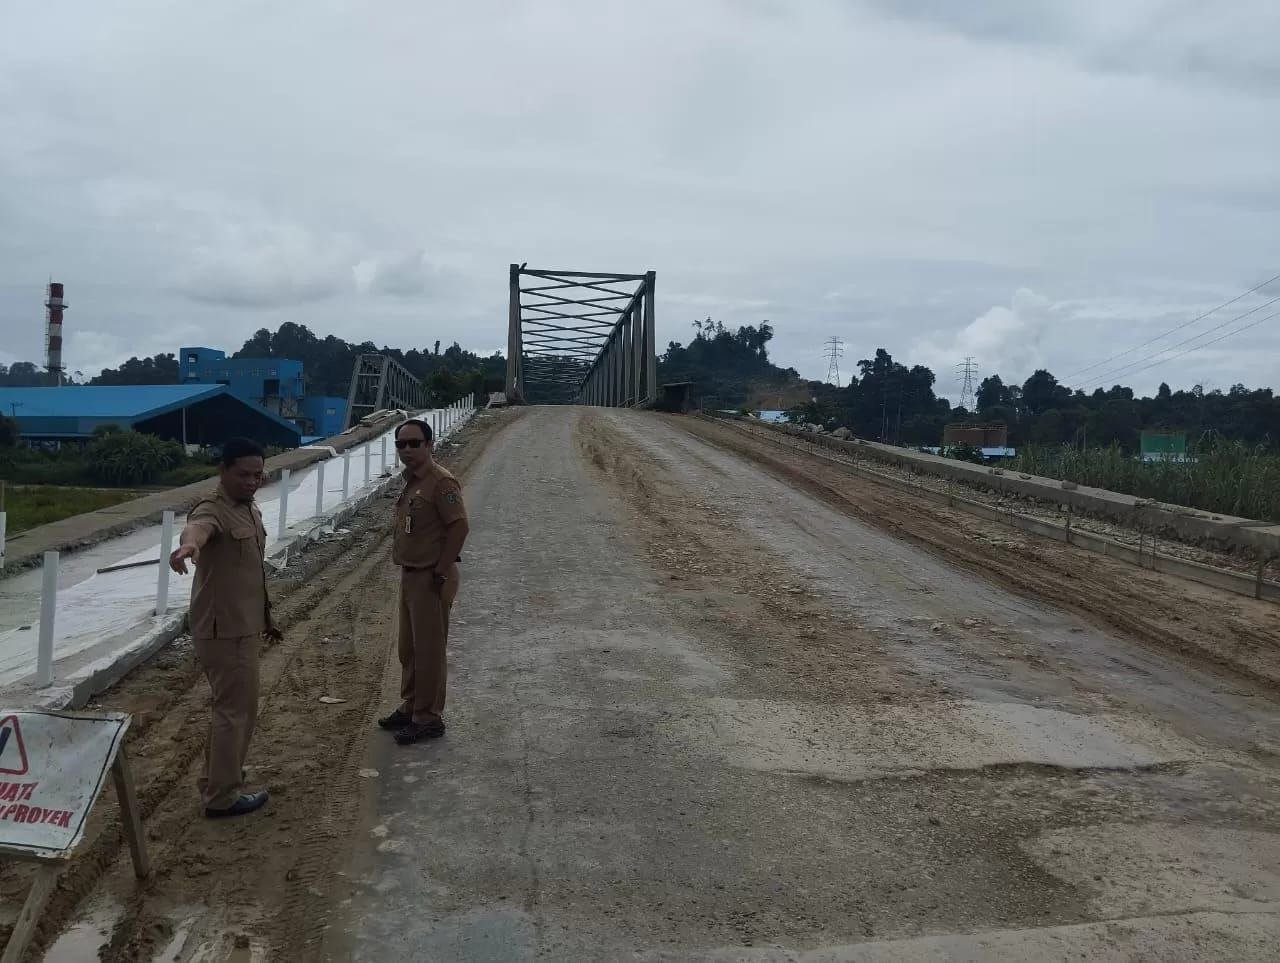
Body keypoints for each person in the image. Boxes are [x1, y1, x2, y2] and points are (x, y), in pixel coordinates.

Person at [170, 437, 279, 818]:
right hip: (226, 630)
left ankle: (220, 779)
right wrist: (188, 547)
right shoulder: (213, 509)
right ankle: (222, 796)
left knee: (233, 709)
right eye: (243, 474)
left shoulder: (247, 508)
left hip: (242, 625)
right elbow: (198, 528)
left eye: (257, 474)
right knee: (235, 711)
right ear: (223, 471)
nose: (252, 481)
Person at [378, 417, 470, 745]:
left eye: (414, 443)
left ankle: (428, 716)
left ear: (430, 445)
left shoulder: (440, 483)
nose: (406, 449)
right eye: (401, 444)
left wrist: (442, 571)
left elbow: (459, 527)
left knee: (429, 650)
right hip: (411, 574)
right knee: (410, 648)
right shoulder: (412, 481)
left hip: (431, 576)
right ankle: (411, 704)